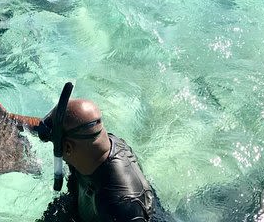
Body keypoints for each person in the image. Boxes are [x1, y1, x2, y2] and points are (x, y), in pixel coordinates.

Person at [18, 82, 172, 222]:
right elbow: (51, 127)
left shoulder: (122, 207)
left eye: (54, 142)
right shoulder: (93, 142)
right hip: (86, 202)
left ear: (68, 148)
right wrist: (7, 117)